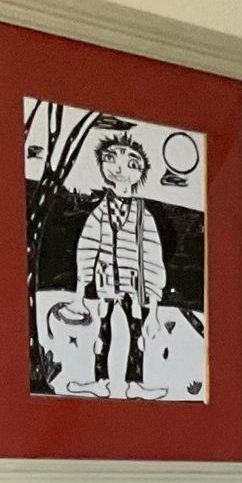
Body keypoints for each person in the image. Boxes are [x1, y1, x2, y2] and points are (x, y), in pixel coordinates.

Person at [70, 132, 167, 400]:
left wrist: (154, 307)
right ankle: (100, 381)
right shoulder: (99, 212)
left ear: (140, 171)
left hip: (133, 287)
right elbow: (87, 246)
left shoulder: (143, 215)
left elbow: (152, 255)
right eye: (111, 159)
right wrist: (81, 290)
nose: (120, 169)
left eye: (131, 163)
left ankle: (135, 383)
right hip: (105, 284)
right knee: (103, 331)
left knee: (137, 332)